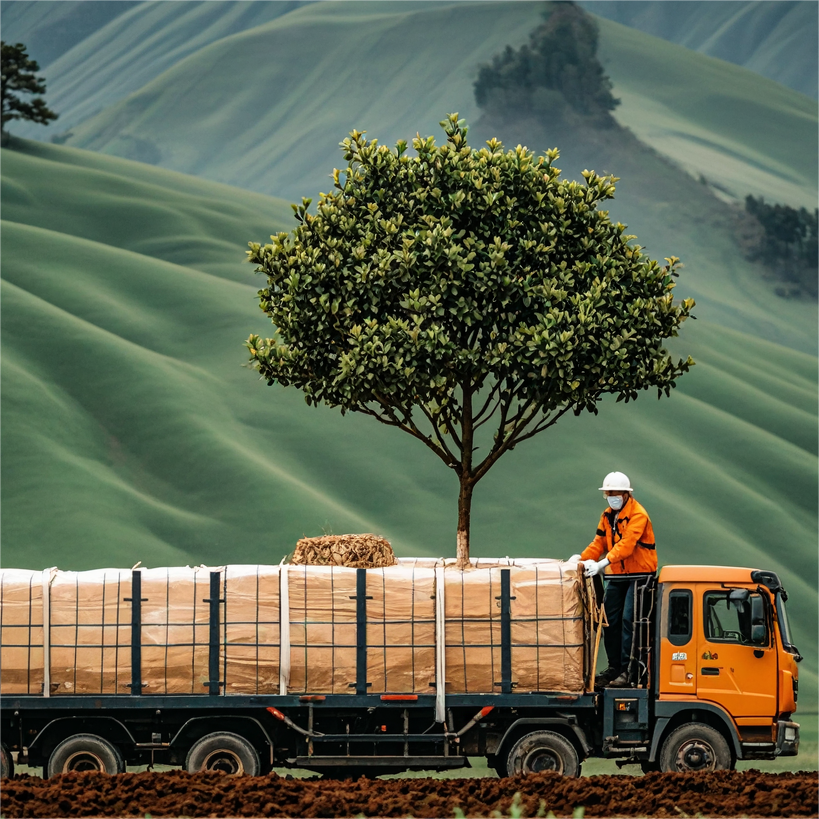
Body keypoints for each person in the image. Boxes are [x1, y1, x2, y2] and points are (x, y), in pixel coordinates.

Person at [568, 471, 657, 688]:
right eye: (608, 493)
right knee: (608, 620)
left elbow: (626, 545)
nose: (611, 497)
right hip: (616, 574)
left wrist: (601, 564)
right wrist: (581, 558)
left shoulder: (638, 515)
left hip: (640, 576)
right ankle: (614, 668)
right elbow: (598, 542)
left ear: (626, 494)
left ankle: (630, 671)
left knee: (630, 621)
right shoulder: (607, 515)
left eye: (615, 493)